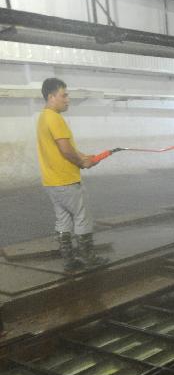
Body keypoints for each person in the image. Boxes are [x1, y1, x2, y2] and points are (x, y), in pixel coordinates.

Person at [37, 78, 104, 271]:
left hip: (51, 181)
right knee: (82, 217)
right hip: (67, 180)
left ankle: (69, 260)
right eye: (64, 95)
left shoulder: (43, 117)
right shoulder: (55, 118)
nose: (67, 100)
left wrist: (86, 156)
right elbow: (66, 150)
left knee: (63, 219)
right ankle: (89, 258)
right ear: (51, 96)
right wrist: (82, 162)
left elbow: (65, 150)